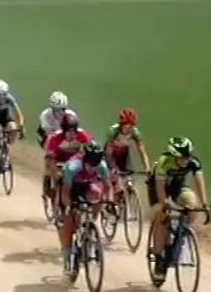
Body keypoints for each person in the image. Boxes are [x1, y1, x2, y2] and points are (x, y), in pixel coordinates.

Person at [148, 137, 211, 276]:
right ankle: (159, 258)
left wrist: (204, 204)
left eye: (187, 157)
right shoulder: (164, 162)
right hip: (158, 188)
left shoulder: (193, 162)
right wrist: (164, 204)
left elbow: (199, 182)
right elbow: (160, 187)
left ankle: (180, 234)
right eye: (181, 158)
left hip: (177, 187)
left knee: (191, 205)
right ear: (174, 156)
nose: (185, 160)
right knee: (162, 215)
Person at [59, 142, 113, 274]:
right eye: (89, 165)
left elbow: (108, 186)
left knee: (97, 194)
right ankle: (67, 259)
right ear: (84, 160)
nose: (92, 169)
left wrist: (109, 201)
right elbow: (65, 193)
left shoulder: (102, 166)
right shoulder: (72, 167)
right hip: (72, 188)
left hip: (87, 185)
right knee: (68, 224)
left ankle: (91, 223)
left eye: (95, 166)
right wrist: (68, 207)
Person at [43, 111, 92, 214]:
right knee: (57, 179)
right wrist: (55, 173)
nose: (72, 135)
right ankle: (51, 195)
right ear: (63, 131)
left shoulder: (83, 135)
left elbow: (91, 151)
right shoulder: (54, 138)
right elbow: (49, 159)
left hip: (73, 159)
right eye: (69, 132)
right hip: (57, 159)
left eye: (74, 132)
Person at [0, 79, 26, 161]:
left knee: (13, 128)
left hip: (5, 116)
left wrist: (21, 125)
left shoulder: (9, 98)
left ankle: (6, 146)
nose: (3, 96)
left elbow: (19, 113)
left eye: (5, 94)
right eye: (0, 94)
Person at [103, 108, 152, 178]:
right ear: (121, 125)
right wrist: (113, 166)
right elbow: (108, 153)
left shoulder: (135, 132)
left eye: (131, 127)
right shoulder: (113, 131)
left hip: (123, 153)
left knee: (129, 178)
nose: (129, 129)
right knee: (115, 177)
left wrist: (147, 168)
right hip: (111, 154)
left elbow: (142, 152)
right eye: (126, 127)